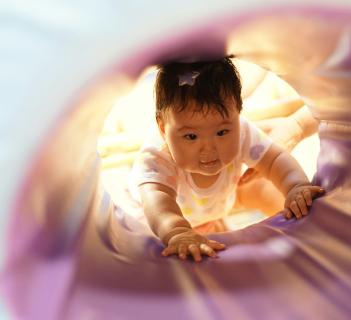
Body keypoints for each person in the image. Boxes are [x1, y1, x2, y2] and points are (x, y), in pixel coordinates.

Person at [129, 57, 325, 262]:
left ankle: (213, 223)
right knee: (169, 254)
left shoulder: (242, 132)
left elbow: (275, 159)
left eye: (222, 132)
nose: (209, 148)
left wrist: (295, 186)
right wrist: (179, 233)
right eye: (191, 136)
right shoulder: (156, 158)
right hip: (160, 223)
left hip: (212, 207)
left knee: (260, 191)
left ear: (238, 116)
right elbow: (158, 202)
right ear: (162, 129)